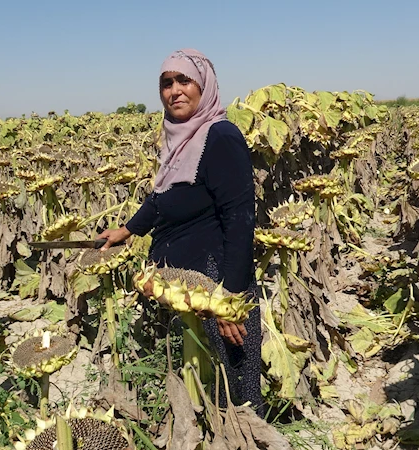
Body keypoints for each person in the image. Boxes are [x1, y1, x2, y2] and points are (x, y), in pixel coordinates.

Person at [98, 48, 264, 416]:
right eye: (166, 83)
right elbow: (162, 198)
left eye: (184, 80)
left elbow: (240, 220)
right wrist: (126, 230)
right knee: (203, 380)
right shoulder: (178, 140)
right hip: (189, 283)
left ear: (204, 85)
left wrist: (229, 300)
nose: (174, 90)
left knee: (237, 392)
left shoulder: (219, 136)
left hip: (218, 280)